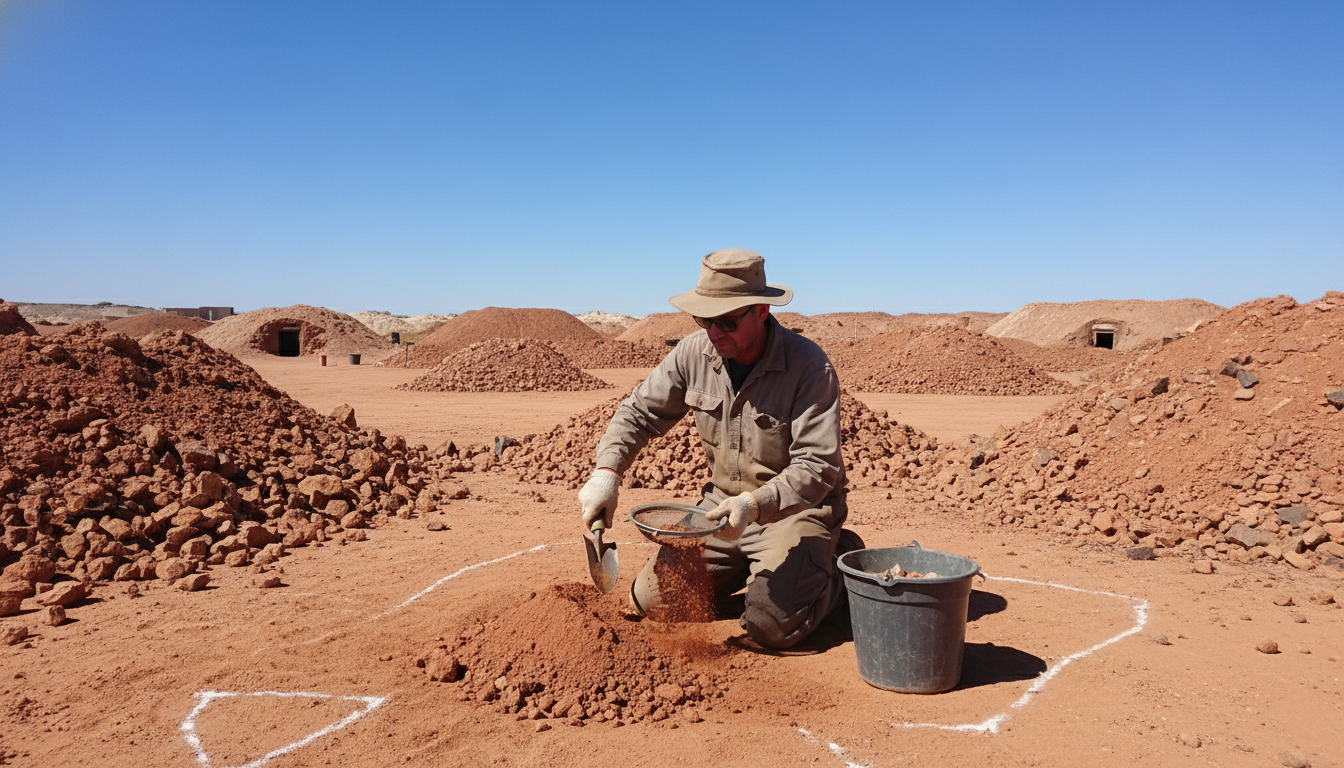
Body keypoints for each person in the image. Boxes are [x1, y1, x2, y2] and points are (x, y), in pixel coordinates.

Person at [577, 248, 861, 650]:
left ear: (761, 310)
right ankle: (764, 573)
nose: (713, 332)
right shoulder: (693, 354)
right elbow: (639, 412)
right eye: (704, 319)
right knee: (654, 602)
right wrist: (607, 473)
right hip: (718, 512)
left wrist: (754, 504)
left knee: (770, 626)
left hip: (792, 514)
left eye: (726, 321)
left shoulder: (809, 368)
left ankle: (836, 563)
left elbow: (817, 467)